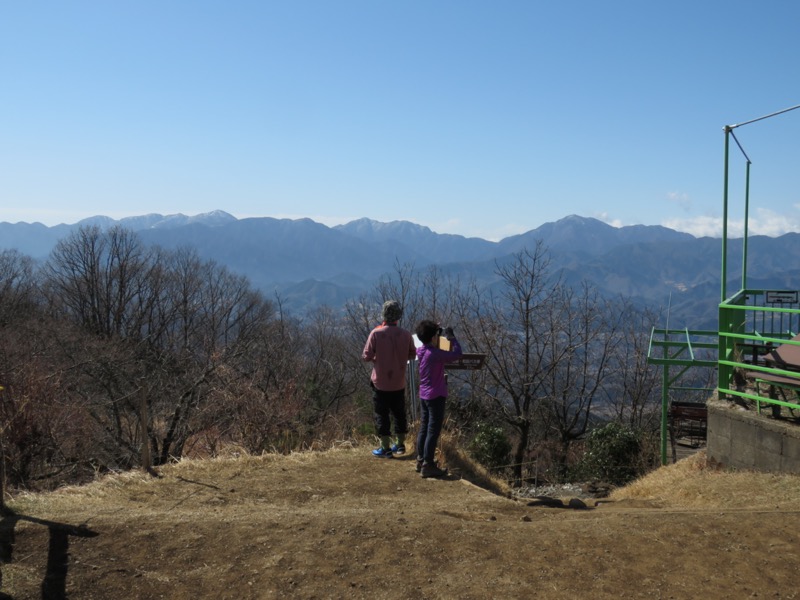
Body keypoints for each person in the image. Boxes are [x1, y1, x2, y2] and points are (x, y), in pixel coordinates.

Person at [362, 300, 417, 458]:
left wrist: (377, 358)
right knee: (400, 414)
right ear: (398, 316)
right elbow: (413, 354)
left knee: (382, 414)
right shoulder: (406, 334)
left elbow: (366, 356)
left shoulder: (376, 333)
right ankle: (400, 445)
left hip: (380, 383)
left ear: (384, 314)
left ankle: (385, 448)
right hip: (399, 382)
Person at [414, 320, 463, 478]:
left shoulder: (421, 351)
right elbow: (457, 354)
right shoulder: (435, 354)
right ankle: (428, 465)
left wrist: (436, 333)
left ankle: (421, 460)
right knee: (433, 431)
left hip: (424, 394)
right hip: (436, 395)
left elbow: (430, 342)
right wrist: (452, 338)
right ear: (433, 337)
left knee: (424, 427)